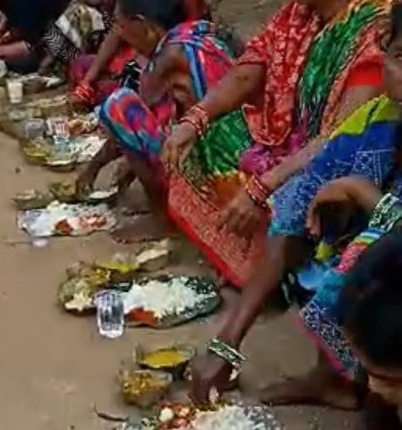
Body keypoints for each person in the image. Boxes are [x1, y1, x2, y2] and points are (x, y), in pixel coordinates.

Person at [190, 4, 402, 427]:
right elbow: (309, 184)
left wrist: (361, 194)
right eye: (400, 57)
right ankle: (344, 380)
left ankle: (382, 391)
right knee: (297, 204)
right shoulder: (377, 120)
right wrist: (227, 342)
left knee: (363, 254)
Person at [161, 0, 388, 285]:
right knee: (206, 137)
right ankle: (245, 258)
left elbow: (340, 137)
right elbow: (250, 69)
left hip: (334, 163)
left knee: (292, 191)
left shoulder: (373, 30)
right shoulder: (299, 13)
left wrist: (262, 187)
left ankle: (272, 271)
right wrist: (195, 119)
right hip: (286, 143)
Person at [75, 0, 244, 236]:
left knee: (119, 106)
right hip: (244, 160)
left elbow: (134, 123)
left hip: (224, 176)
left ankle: (163, 220)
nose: (123, 37)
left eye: (122, 27)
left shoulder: (167, 57)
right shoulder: (199, 33)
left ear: (144, 26)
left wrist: (93, 168)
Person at [69, 0, 212, 107]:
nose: (119, 31)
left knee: (118, 106)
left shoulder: (173, 53)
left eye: (121, 26)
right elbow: (118, 30)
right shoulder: (134, 22)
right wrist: (87, 82)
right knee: (83, 65)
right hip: (151, 45)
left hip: (168, 57)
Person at [0, 0, 70, 73]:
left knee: (24, 62)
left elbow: (29, 46)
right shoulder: (7, 3)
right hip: (38, 31)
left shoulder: (26, 4)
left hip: (60, 41)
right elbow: (7, 15)